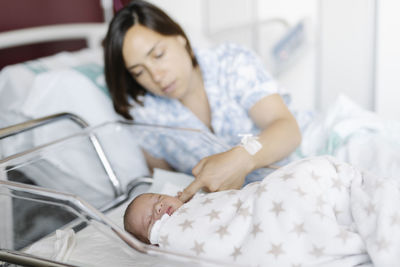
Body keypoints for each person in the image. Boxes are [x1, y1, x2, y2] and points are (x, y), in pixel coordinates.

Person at [103, 0, 302, 203]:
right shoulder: (144, 112)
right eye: (139, 72)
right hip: (232, 206)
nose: (156, 75)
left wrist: (243, 157)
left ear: (180, 39)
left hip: (292, 175)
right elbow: (166, 183)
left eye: (159, 55)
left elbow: (287, 130)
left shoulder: (230, 62)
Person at [123, 156, 400, 266]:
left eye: (157, 198)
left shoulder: (201, 201)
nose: (158, 207)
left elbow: (244, 201)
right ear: (151, 241)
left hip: (280, 195)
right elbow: (219, 240)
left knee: (298, 181)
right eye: (151, 218)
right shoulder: (174, 237)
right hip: (273, 230)